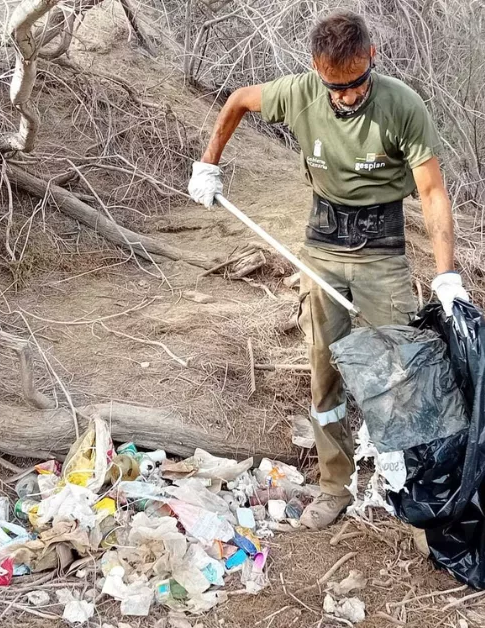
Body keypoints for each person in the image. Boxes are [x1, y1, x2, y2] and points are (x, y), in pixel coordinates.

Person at [188, 9, 467, 530]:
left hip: (382, 251)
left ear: (371, 60)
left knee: (400, 372)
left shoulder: (402, 105)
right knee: (326, 372)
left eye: (355, 84)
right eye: (333, 86)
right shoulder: (300, 93)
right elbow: (238, 101)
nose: (345, 97)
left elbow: (431, 191)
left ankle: (410, 489)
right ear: (317, 69)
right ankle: (334, 484)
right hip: (322, 249)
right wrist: (209, 162)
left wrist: (446, 274)